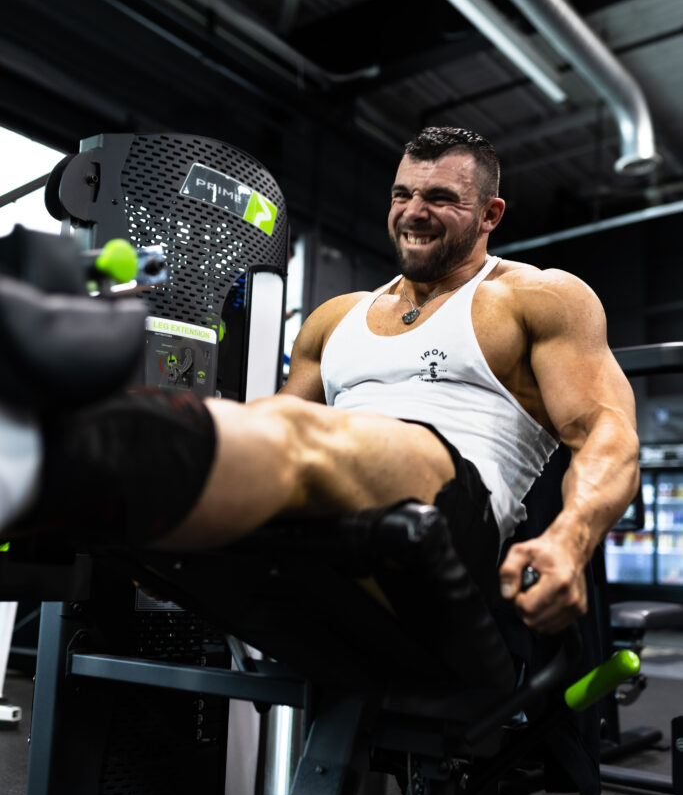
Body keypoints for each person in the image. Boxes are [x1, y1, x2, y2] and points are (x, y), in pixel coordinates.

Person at [6, 127, 639, 635]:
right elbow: (269, 433)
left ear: (490, 213)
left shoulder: (540, 297)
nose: (414, 212)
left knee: (315, 435)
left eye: (441, 198)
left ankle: (55, 454)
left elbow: (609, 433)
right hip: (325, 494)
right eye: (401, 194)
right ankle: (56, 459)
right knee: (282, 432)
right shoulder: (337, 317)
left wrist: (569, 539)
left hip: (451, 524)